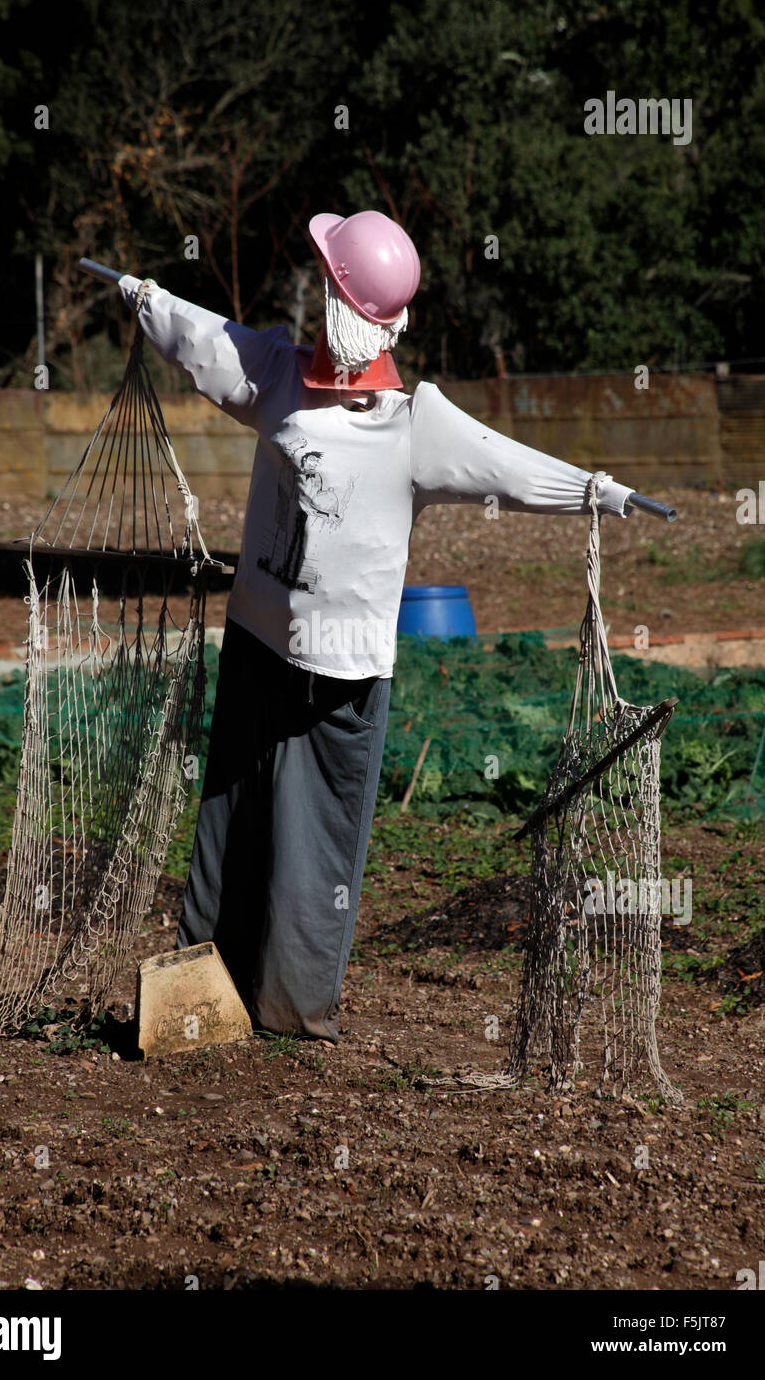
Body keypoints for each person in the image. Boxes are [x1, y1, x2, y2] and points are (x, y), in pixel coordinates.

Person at [118, 209, 637, 1044]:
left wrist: (595, 490)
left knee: (315, 843)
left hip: (343, 674)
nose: (315, 290)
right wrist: (144, 297)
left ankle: (292, 1007)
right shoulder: (277, 378)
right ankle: (206, 994)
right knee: (233, 820)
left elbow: (503, 461)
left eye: (326, 281)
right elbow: (207, 337)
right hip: (258, 642)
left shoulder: (414, 426)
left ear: (343, 301)